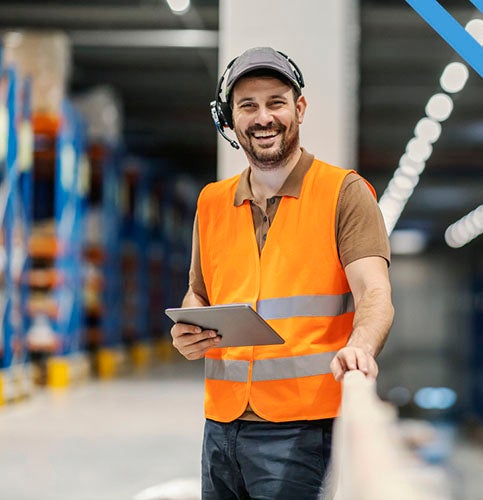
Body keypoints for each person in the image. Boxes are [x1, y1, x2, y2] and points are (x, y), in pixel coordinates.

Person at [170, 46, 394, 500]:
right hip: (220, 426)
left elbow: (375, 293)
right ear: (230, 120)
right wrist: (190, 329)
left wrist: (362, 347)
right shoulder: (212, 202)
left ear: (299, 109)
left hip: (301, 433)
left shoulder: (343, 193)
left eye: (276, 102)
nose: (263, 117)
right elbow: (198, 293)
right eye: (247, 106)